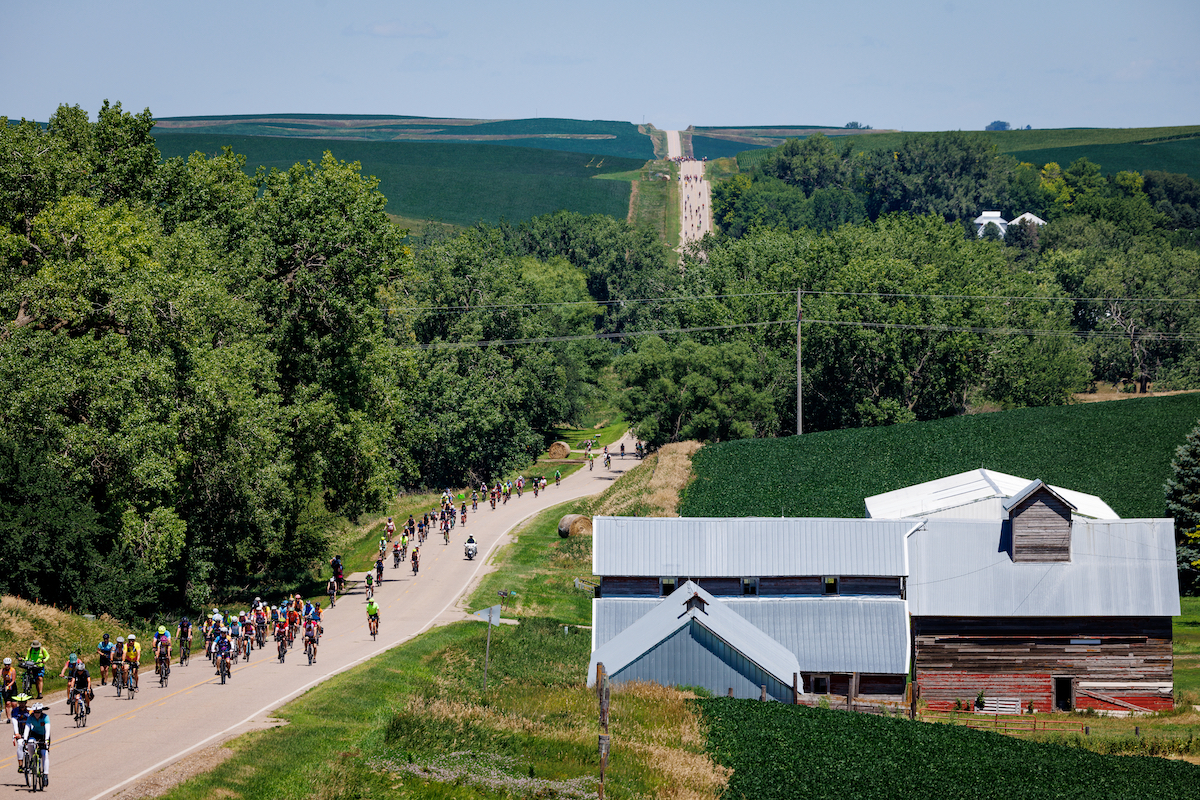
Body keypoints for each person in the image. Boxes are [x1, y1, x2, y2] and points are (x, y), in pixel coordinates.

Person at [19, 702, 49, 785]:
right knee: (30, 743)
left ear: (41, 711)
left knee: (44, 753)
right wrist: (25, 739)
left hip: (43, 735)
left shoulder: (45, 717)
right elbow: (27, 728)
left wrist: (46, 740)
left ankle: (45, 774)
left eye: (38, 712)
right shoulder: (30, 717)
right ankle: (33, 759)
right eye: (35, 712)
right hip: (34, 734)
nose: (37, 714)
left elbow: (47, 729)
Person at [10, 694, 30, 770]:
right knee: (20, 745)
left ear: (26, 702)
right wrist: (17, 733)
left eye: (23, 702)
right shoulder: (15, 711)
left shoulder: (29, 710)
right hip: (20, 732)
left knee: (31, 745)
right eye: (20, 702)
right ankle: (20, 765)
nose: (21, 704)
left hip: (29, 732)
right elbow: (15, 723)